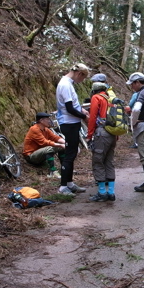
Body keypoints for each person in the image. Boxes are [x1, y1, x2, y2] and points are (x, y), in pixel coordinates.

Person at [55, 63, 90, 195]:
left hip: (73, 122)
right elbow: (69, 108)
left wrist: (82, 111)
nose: (82, 81)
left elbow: (74, 104)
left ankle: (69, 183)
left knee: (73, 152)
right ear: (79, 74)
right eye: (83, 78)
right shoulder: (65, 84)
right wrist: (83, 117)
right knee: (69, 154)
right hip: (68, 123)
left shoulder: (69, 84)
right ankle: (63, 187)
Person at [86, 76, 117, 202]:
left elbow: (93, 117)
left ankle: (102, 192)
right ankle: (111, 192)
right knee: (109, 162)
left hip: (101, 133)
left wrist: (89, 136)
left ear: (94, 89)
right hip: (112, 134)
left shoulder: (96, 98)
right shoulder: (112, 98)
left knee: (98, 161)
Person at [22, 112, 66, 178]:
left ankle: (65, 168)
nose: (49, 121)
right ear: (41, 120)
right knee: (50, 148)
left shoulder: (45, 129)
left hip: (40, 153)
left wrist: (65, 143)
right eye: (47, 119)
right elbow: (44, 142)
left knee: (61, 147)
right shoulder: (34, 129)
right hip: (31, 156)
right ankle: (53, 172)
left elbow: (55, 137)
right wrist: (60, 145)